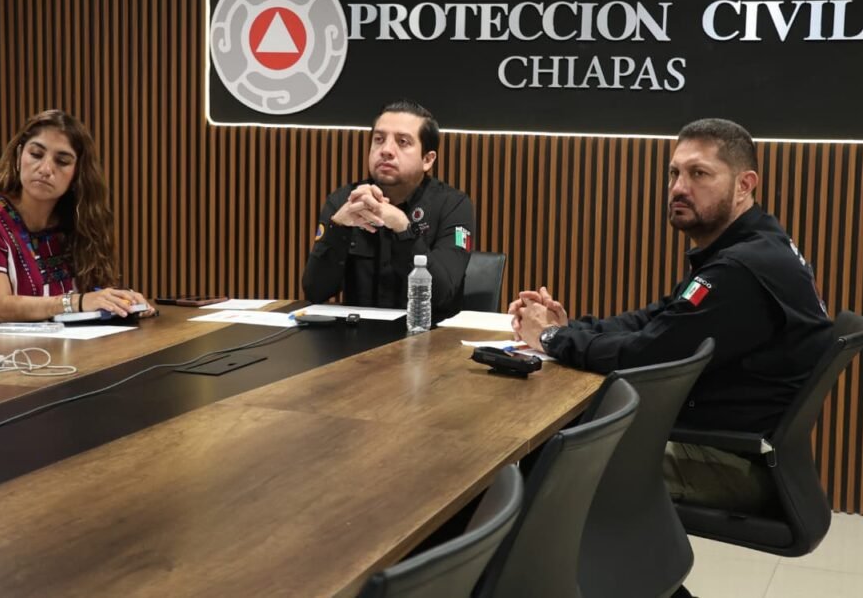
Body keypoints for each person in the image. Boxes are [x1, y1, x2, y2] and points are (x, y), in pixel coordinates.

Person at [510, 117, 833, 514]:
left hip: (730, 461)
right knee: (565, 437)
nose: (679, 187)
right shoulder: (748, 244)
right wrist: (570, 328)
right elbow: (659, 318)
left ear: (744, 185)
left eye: (699, 174)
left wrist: (551, 339)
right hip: (726, 442)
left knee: (551, 457)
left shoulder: (741, 270)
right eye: (674, 173)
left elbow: (645, 357)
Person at [0, 110, 153, 337]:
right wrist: (76, 302)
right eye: (36, 154)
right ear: (19, 156)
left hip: (54, 352)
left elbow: (90, 297)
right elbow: (0, 308)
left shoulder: (75, 226)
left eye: (62, 161)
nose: (45, 169)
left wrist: (120, 302)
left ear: (77, 174)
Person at [302, 100, 475, 322]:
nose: (386, 150)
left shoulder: (453, 205)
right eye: (379, 140)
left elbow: (442, 295)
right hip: (357, 336)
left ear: (427, 159)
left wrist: (403, 228)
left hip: (428, 335)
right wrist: (338, 227)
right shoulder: (344, 201)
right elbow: (315, 292)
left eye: (402, 142)